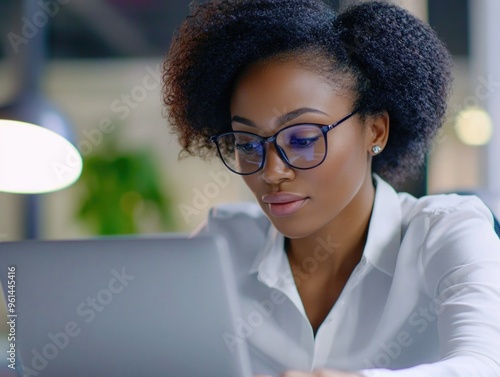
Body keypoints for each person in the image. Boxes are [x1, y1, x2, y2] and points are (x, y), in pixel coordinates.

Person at [162, 0, 500, 376]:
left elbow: (485, 365)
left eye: (303, 140)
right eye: (246, 143)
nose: (272, 171)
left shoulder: (447, 232)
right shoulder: (221, 245)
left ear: (376, 130)